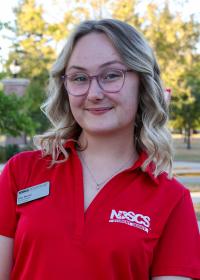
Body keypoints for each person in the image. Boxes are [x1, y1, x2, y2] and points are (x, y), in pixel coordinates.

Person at [0, 19, 200, 280]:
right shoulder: (22, 172)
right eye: (79, 78)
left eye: (112, 75)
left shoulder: (172, 199)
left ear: (143, 83)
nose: (94, 93)